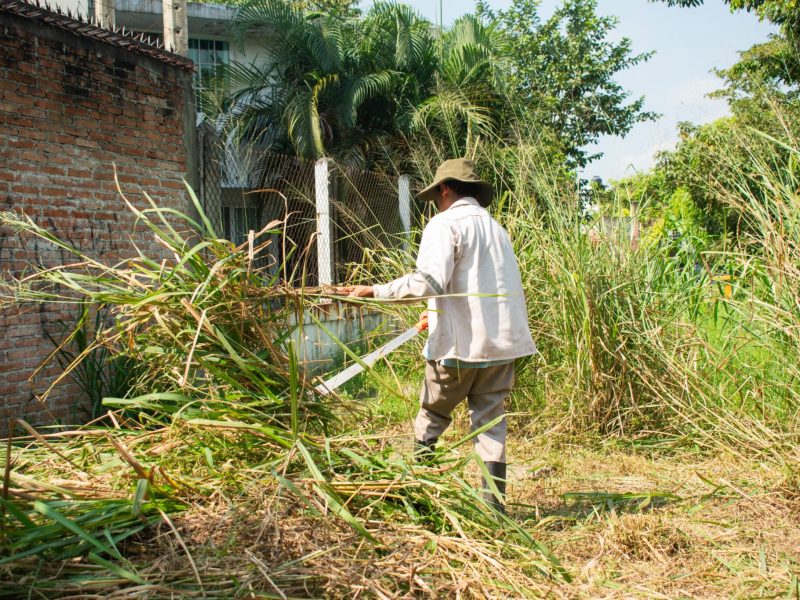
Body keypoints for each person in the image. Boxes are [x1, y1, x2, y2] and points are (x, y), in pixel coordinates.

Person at [335, 158, 536, 513]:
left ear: (444, 188)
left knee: (432, 414)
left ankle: (419, 499)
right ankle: (495, 511)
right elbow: (481, 284)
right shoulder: (495, 228)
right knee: (490, 424)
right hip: (502, 346)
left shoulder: (445, 224)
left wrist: (374, 291)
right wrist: (436, 311)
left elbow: (429, 281)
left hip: (459, 349)